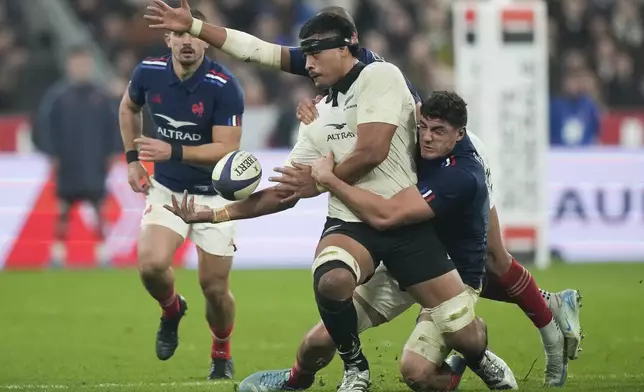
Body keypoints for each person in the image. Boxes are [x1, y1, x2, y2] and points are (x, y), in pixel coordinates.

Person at [146, 0, 582, 383]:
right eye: (307, 54)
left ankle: (548, 315)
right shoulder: (331, 82)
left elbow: (371, 151)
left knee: (488, 263)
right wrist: (198, 26)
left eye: (314, 54)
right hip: (404, 178)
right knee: (424, 276)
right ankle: (351, 364)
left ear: (344, 48)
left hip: (449, 165)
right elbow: (260, 51)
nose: (306, 63)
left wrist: (319, 179)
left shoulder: (373, 74)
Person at [239, 91, 522, 392]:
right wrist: (321, 113)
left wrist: (330, 180)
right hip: (404, 261)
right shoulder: (409, 140)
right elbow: (373, 89)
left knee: (417, 373)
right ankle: (294, 381)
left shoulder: (462, 175)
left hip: (450, 274)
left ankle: (473, 350)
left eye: (438, 131)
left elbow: (388, 216)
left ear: (459, 134)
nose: (426, 137)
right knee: (319, 340)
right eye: (423, 127)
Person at [118, 9, 244, 380]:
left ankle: (221, 352)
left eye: (194, 33)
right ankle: (171, 309)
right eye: (179, 33)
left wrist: (171, 151)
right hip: (170, 189)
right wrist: (131, 160)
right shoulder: (148, 72)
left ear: (206, 38)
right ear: (168, 39)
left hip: (215, 196)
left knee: (215, 288)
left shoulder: (225, 85)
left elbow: (226, 148)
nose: (187, 41)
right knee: (151, 265)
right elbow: (128, 107)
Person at [35, 45, 121, 268]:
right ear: (69, 66)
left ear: (90, 66)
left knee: (98, 208)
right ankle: (57, 255)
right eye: (76, 64)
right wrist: (52, 153)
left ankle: (103, 255)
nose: (80, 68)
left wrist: (112, 152)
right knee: (63, 208)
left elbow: (114, 127)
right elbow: (44, 128)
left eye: (84, 63)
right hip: (68, 163)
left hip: (94, 163)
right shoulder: (57, 97)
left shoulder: (101, 97)